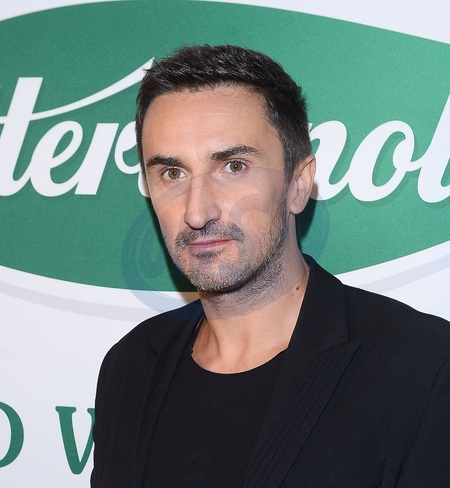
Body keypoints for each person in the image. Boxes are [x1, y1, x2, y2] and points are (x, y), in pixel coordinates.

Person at [91, 45, 450, 488]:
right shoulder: (131, 366)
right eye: (172, 173)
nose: (197, 212)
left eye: (233, 166)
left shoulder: (423, 370)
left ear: (298, 184)